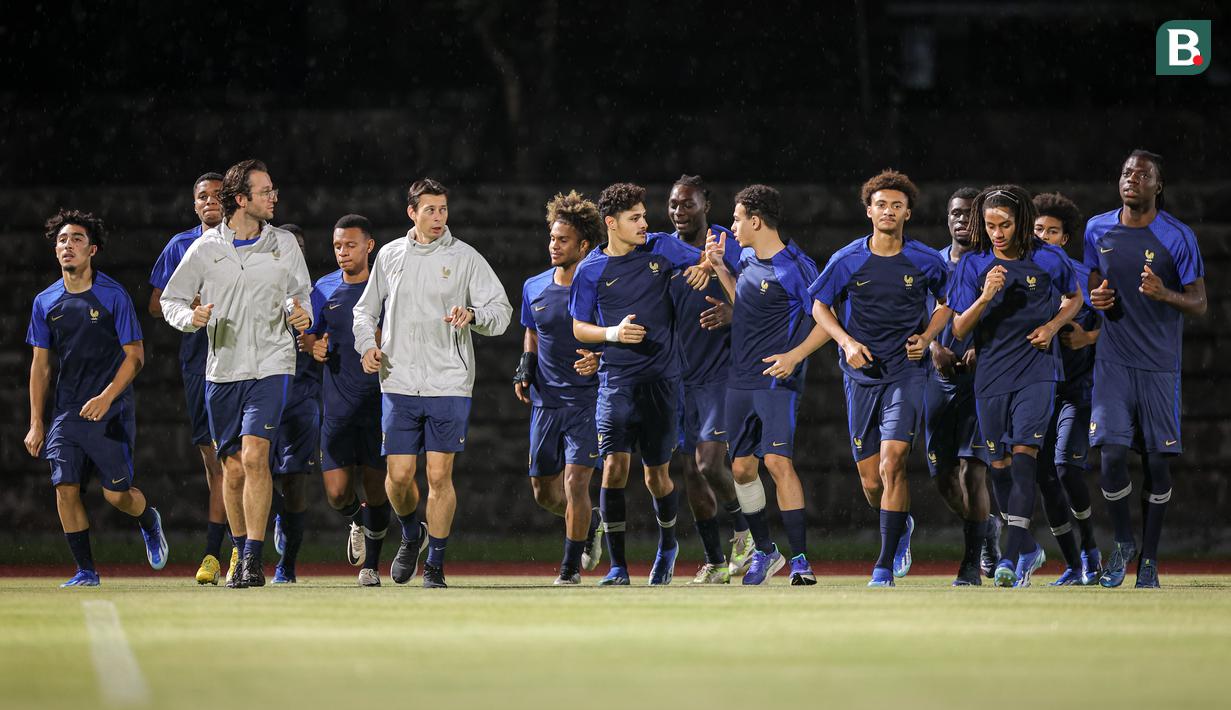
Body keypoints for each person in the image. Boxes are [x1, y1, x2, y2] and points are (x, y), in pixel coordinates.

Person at [353, 179, 512, 589]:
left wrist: (474, 314)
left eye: (443, 209)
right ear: (412, 212)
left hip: (449, 381)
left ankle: (436, 568)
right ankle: (411, 533)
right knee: (400, 477)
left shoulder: (465, 258)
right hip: (399, 380)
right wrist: (365, 347)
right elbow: (364, 311)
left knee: (440, 477)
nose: (438, 217)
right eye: (430, 210)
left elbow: (501, 310)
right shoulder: (389, 255)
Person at [161, 159, 313, 588]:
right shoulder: (206, 249)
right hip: (223, 370)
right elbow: (172, 301)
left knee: (254, 455)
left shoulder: (284, 244)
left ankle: (252, 558)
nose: (274, 197)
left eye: (273, 190)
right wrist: (192, 317)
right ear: (241, 199)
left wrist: (300, 314)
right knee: (231, 468)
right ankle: (239, 547)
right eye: (265, 192)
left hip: (272, 364)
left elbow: (301, 295)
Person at [809, 170, 950, 587]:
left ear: (907, 212)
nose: (889, 211)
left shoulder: (926, 259)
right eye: (881, 204)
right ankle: (900, 524)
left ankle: (884, 565)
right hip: (860, 376)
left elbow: (946, 304)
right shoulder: (847, 259)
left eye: (897, 205)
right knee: (872, 481)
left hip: (906, 374)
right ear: (869, 211)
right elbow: (819, 306)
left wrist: (926, 337)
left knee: (894, 463)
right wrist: (847, 342)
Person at [569, 181, 711, 586]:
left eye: (644, 216)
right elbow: (579, 327)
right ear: (611, 224)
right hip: (616, 383)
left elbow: (705, 255)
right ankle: (618, 566)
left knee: (656, 476)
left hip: (662, 383)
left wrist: (702, 267)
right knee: (613, 468)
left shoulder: (661, 247)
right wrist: (612, 334)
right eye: (635, 218)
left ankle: (668, 547)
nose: (645, 224)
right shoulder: (591, 269)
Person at [25, 210, 168, 587]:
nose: (67, 245)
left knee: (116, 494)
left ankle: (148, 519)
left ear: (93, 249)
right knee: (64, 487)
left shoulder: (112, 294)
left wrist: (106, 397)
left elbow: (135, 355)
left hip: (112, 407)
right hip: (68, 412)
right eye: (62, 240)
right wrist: (37, 421)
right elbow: (40, 366)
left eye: (76, 239)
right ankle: (86, 571)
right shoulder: (45, 302)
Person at [949, 185, 1082, 588]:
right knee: (999, 469)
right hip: (991, 376)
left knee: (1025, 456)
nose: (997, 233)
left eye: (1004, 224)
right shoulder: (974, 264)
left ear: (1021, 220)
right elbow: (957, 327)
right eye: (990, 225)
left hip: (1037, 371)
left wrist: (1053, 326)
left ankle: (1009, 558)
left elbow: (1074, 298)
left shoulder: (1048, 258)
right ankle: (1027, 549)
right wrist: (986, 296)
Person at [1085, 150, 1206, 588]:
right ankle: (1122, 541)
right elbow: (1093, 281)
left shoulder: (1178, 236)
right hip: (1113, 362)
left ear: (1158, 186)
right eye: (1126, 172)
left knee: (1157, 465)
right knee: (1112, 456)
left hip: (1159, 367)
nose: (1132, 178)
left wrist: (1164, 294)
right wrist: (1096, 296)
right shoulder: (1097, 228)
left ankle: (1149, 561)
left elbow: (1199, 302)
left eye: (1143, 174)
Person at [704, 184, 828, 585]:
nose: (734, 225)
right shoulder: (744, 257)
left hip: (776, 380)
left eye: (738, 218)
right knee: (741, 469)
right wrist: (722, 269)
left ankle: (802, 561)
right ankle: (765, 552)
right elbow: (748, 303)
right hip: (738, 379)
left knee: (776, 462)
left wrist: (794, 357)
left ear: (756, 221)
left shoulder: (795, 267)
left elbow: (827, 322)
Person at [664, 175, 753, 584]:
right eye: (674, 205)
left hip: (722, 372)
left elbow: (760, 296)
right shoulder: (662, 249)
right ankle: (715, 561)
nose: (680, 212)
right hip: (680, 376)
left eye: (688, 204)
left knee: (710, 461)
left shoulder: (728, 242)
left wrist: (735, 315)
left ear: (706, 205)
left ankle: (744, 531)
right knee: (690, 472)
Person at [514, 191, 604, 584]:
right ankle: (590, 520)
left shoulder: (600, 287)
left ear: (583, 245)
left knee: (575, 482)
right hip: (545, 402)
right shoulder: (534, 286)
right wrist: (525, 368)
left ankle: (569, 569)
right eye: (552, 238)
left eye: (562, 240)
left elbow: (619, 334)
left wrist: (600, 359)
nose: (554, 245)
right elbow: (531, 332)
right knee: (544, 493)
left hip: (587, 401)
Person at [148, 172, 232, 585]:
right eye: (203, 196)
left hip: (244, 358)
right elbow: (155, 304)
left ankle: (239, 549)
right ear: (194, 204)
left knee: (245, 457)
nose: (210, 201)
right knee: (215, 461)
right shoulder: (180, 245)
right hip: (199, 361)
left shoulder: (245, 242)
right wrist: (189, 305)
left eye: (218, 195)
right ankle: (222, 553)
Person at [307, 214, 391, 586]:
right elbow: (308, 335)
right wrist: (314, 345)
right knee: (337, 492)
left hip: (378, 405)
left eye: (351, 245)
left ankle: (371, 566)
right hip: (338, 406)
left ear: (369, 246)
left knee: (377, 489)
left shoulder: (388, 288)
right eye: (338, 246)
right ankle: (355, 521)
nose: (343, 252)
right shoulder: (323, 289)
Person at [925, 187, 1000, 585]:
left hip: (979, 382)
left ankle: (971, 564)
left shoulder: (994, 263)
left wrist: (983, 350)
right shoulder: (931, 263)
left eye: (969, 214)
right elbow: (919, 313)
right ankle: (987, 529)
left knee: (974, 471)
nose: (961, 220)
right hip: (937, 380)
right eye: (955, 213)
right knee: (941, 476)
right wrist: (933, 345)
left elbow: (1006, 316)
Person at [1032, 192, 1103, 585]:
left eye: (1052, 230)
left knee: (1065, 467)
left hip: (1076, 388)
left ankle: (1091, 548)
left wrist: (1088, 339)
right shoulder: (1021, 273)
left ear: (1066, 236)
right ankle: (1074, 564)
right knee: (1043, 477)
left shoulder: (1082, 278)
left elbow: (1116, 327)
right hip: (1035, 390)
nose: (1044, 236)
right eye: (1038, 229)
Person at [265, 223, 320, 584]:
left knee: (295, 479)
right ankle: (253, 546)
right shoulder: (257, 286)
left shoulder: (320, 292)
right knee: (254, 470)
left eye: (297, 248)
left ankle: (288, 565)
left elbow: (334, 340)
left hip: (301, 395)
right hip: (262, 390)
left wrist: (319, 346)